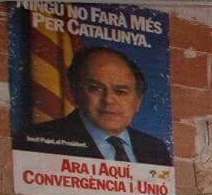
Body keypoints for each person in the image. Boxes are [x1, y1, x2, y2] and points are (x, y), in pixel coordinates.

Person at [20, 47, 171, 165]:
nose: (108, 100)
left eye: (121, 92)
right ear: (75, 92)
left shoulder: (156, 149)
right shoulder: (36, 140)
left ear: (138, 101)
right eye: (95, 89)